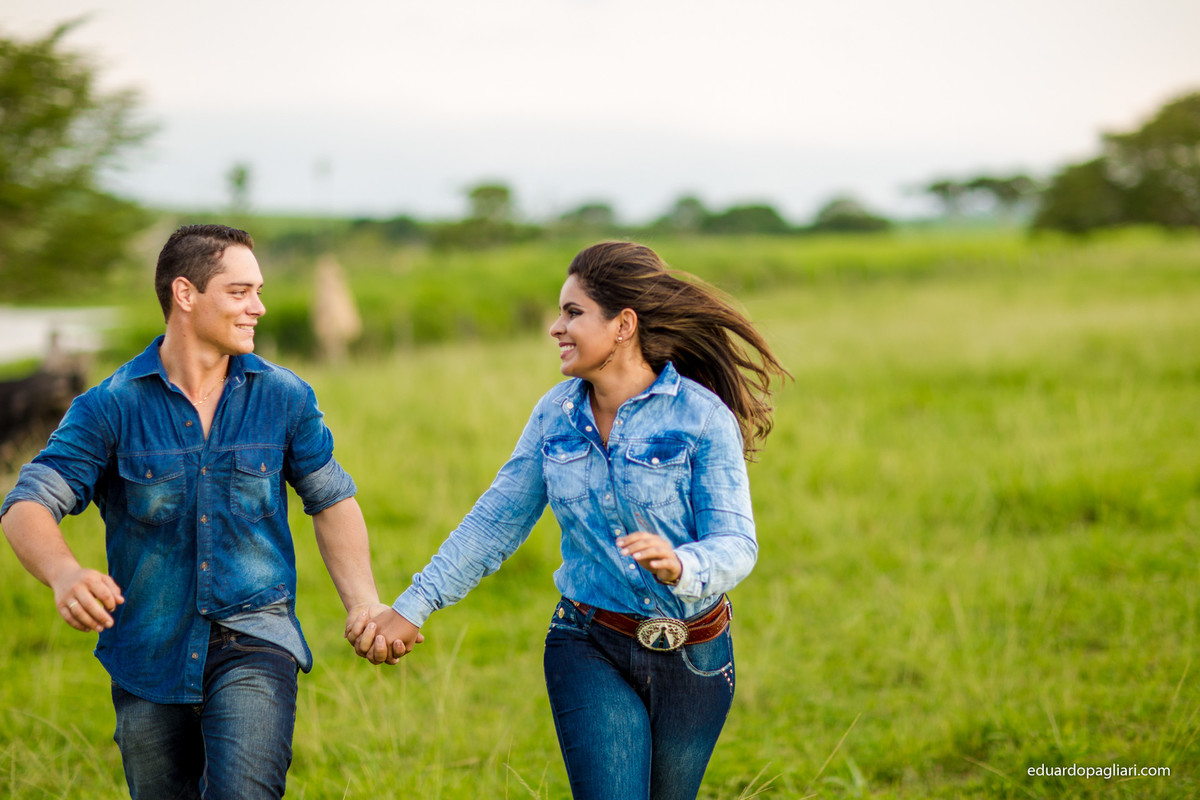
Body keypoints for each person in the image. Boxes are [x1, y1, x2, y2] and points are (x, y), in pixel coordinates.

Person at [348, 241, 789, 799]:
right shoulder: (554, 416)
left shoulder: (701, 417)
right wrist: (413, 607)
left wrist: (682, 564)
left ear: (623, 325)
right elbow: (495, 522)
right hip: (588, 643)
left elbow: (737, 542)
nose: (556, 327)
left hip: (695, 656)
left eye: (573, 312)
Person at [1, 224, 395, 800]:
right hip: (147, 657)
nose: (258, 307)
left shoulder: (286, 397)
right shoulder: (109, 407)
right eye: (240, 292)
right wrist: (63, 573)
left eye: (258, 291)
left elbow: (331, 499)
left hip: (257, 640)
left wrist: (363, 602)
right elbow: (27, 501)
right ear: (185, 294)